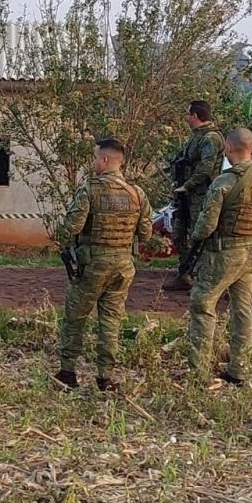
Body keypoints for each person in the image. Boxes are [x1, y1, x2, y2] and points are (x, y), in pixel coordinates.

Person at [54, 138, 152, 392]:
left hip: (93, 265)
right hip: (123, 265)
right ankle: (105, 377)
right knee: (110, 320)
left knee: (75, 317)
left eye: (95, 157)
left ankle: (67, 372)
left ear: (105, 160)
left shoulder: (90, 189)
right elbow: (146, 233)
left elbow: (72, 227)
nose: (93, 162)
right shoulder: (136, 193)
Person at [187, 128, 252, 386]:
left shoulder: (224, 182)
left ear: (229, 149)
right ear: (251, 148)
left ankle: (198, 372)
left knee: (203, 303)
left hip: (224, 253)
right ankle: (239, 369)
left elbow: (206, 226)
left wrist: (194, 239)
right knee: (243, 311)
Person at [165, 101, 226, 291]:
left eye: (187, 114)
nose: (186, 118)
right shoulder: (195, 137)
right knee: (178, 233)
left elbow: (206, 168)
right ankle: (185, 273)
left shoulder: (211, 138)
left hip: (200, 194)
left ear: (194, 115)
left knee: (198, 236)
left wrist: (187, 185)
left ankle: (201, 278)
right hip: (187, 195)